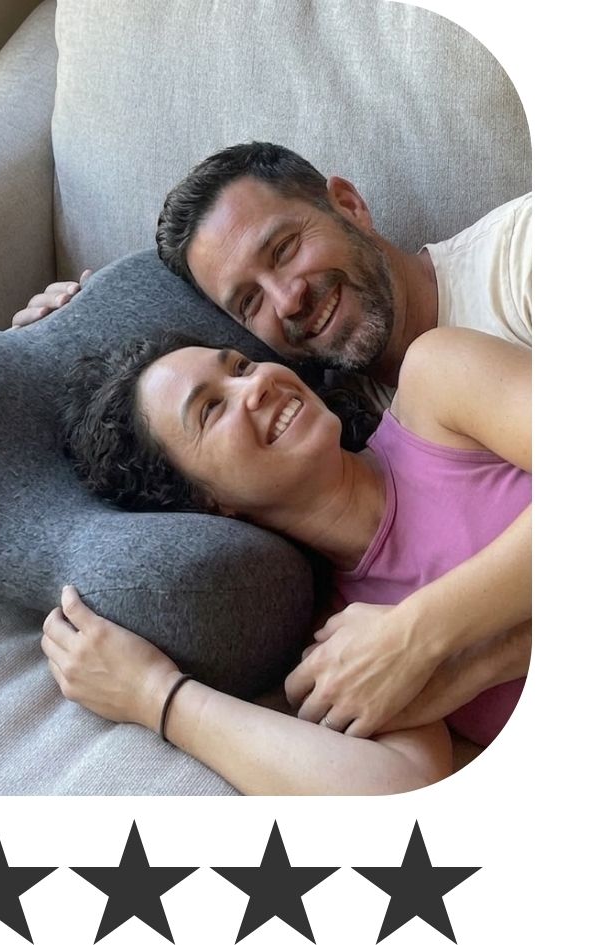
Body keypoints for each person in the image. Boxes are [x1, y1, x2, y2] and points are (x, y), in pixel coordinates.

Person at [16, 141, 532, 738]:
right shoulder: (341, 411)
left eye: (284, 249)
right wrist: (73, 323)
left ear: (350, 205)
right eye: (249, 302)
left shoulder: (523, 264)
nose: (288, 300)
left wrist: (430, 645)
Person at [41, 327, 530, 794]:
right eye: (211, 409)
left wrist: (421, 641)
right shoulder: (338, 640)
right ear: (205, 503)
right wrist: (158, 696)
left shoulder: (437, 383)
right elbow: (401, 789)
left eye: (241, 366)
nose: (256, 384)